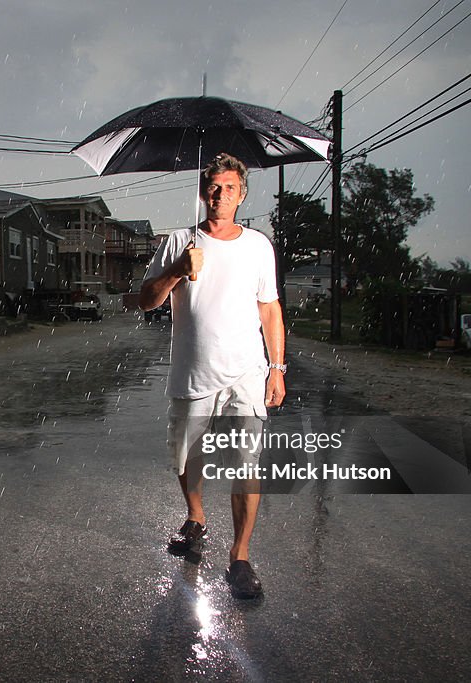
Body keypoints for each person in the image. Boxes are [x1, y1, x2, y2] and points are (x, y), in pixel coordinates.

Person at [138, 152, 286, 599]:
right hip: (192, 372)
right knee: (188, 459)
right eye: (213, 187)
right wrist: (177, 271)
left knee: (246, 465)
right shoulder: (179, 241)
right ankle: (196, 517)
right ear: (204, 191)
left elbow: (270, 309)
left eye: (229, 188)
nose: (219, 195)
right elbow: (145, 301)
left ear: (242, 195)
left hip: (246, 373)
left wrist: (277, 368)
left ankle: (239, 557)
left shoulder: (259, 245)